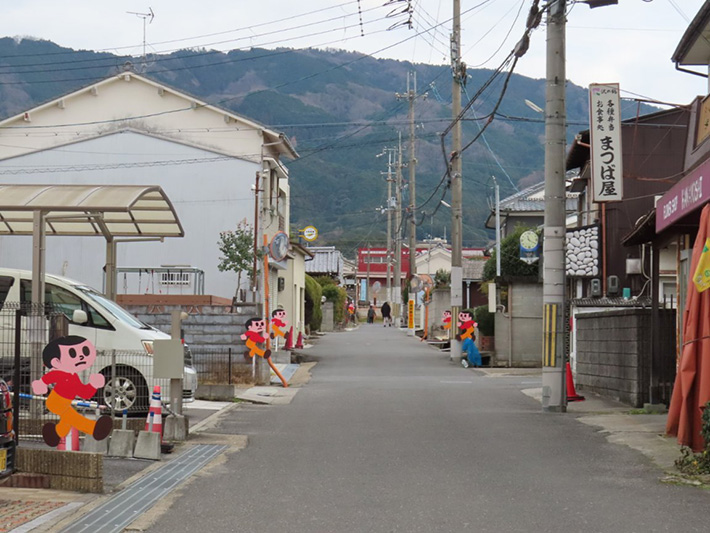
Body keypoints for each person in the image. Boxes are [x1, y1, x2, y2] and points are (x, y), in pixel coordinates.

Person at [32, 335, 113, 447]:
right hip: (55, 401)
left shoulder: (74, 376)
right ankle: (93, 428)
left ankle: (55, 433)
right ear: (56, 361)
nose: (80, 357)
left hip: (65, 403)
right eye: (72, 354)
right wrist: (40, 384)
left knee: (67, 420)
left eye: (85, 352)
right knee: (73, 417)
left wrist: (93, 385)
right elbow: (47, 379)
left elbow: (84, 393)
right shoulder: (59, 373)